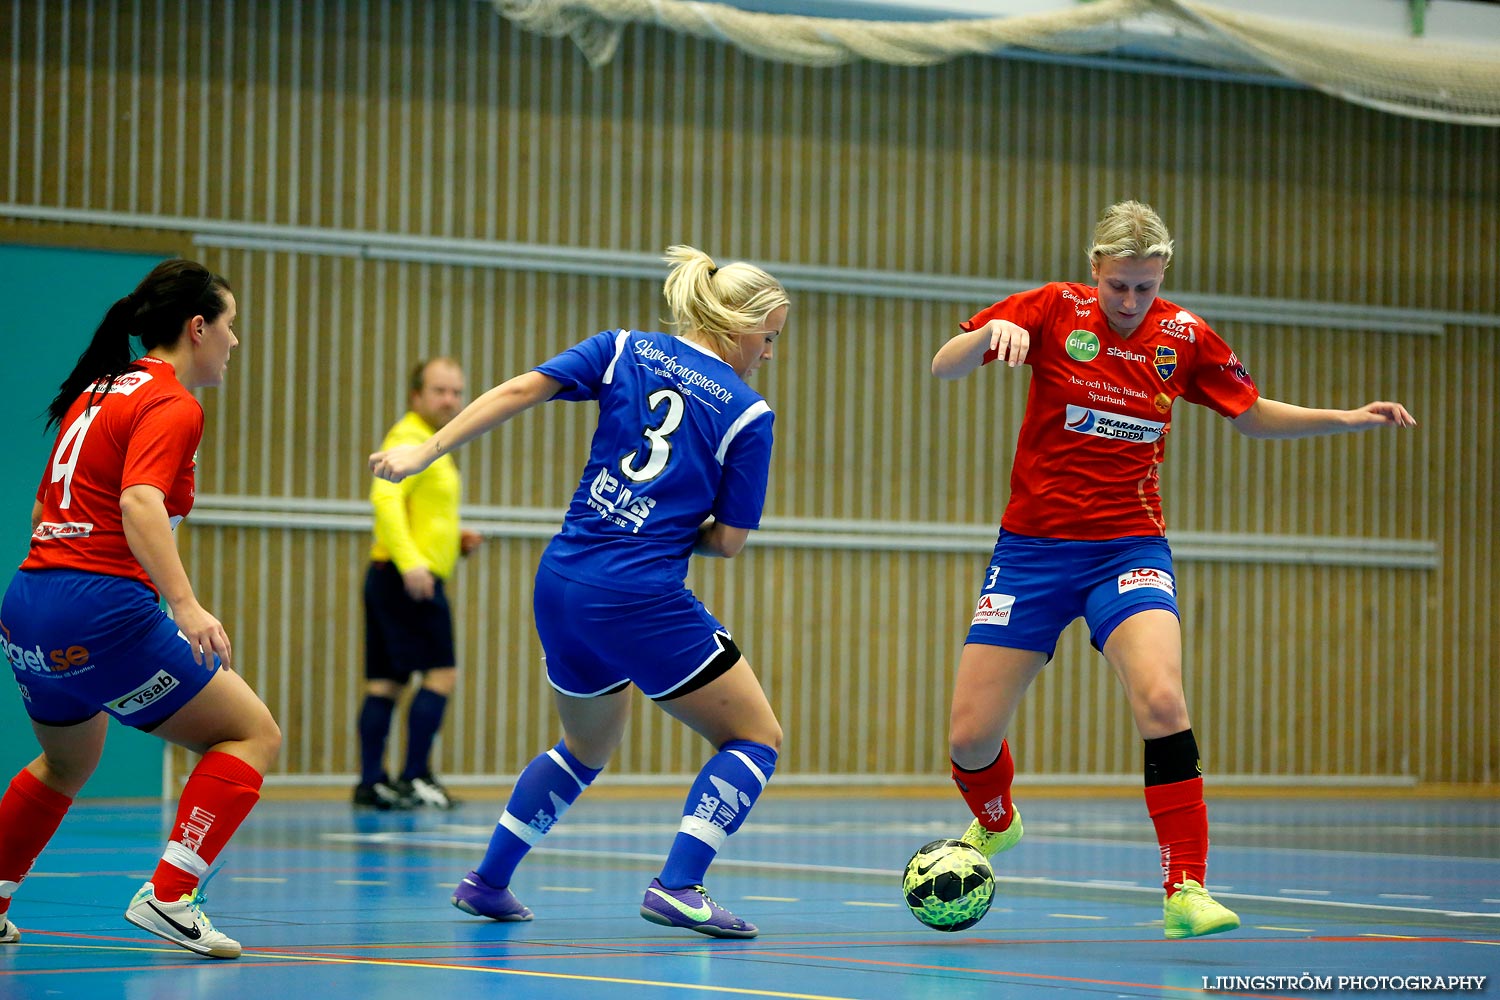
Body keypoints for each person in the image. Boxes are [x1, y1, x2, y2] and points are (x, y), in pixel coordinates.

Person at [930, 201, 1416, 940]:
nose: (1128, 303)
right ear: (1095, 269)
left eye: (1144, 288)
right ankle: (997, 822)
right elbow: (944, 366)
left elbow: (1249, 413)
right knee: (969, 737)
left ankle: (1184, 889)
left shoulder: (1185, 338)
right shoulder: (1052, 310)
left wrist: (1346, 418)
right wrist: (983, 341)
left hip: (1129, 548)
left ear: (1163, 277)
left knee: (1162, 699)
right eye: (1118, 285)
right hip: (1032, 551)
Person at [370, 245, 788, 939]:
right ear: (735, 325)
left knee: (583, 749)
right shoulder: (748, 414)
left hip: (562, 580)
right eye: (768, 336)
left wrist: (425, 452)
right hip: (637, 595)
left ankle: (488, 881)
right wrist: (664, 525)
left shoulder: (622, 347)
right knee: (755, 737)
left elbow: (517, 391)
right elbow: (730, 540)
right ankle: (680, 884)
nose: (769, 353)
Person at [0, 259, 282, 959]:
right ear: (197, 327)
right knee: (251, 734)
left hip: (28, 604)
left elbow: (44, 507)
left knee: (65, 764)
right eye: (230, 325)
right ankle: (171, 894)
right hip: (99, 607)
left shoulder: (97, 390)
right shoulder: (173, 402)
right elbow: (138, 502)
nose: (234, 341)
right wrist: (184, 605)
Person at [354, 357, 481, 811]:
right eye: (440, 390)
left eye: (456, 391)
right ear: (417, 396)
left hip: (397, 575)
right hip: (407, 580)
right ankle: (415, 776)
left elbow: (422, 511)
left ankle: (373, 783)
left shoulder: (428, 445)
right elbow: (385, 500)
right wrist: (412, 564)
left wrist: (455, 540)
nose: (450, 399)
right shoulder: (408, 439)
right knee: (441, 673)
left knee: (386, 683)